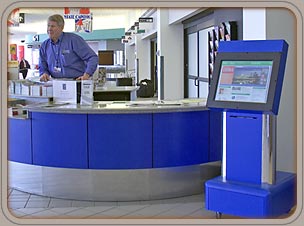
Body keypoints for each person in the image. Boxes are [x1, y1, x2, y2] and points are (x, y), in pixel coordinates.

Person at [39, 14, 98, 82]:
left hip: (76, 81)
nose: (49, 29)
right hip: (55, 83)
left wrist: (87, 75)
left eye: (53, 26)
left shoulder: (73, 40)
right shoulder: (44, 45)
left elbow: (92, 57)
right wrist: (44, 73)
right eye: (48, 26)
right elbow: (42, 65)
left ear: (61, 27)